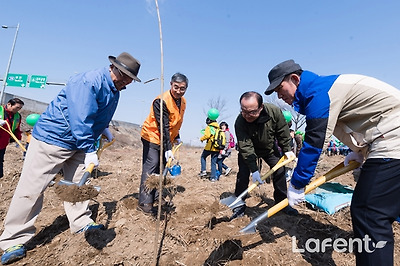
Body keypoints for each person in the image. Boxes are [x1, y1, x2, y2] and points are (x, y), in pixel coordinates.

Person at [0, 52, 141, 265]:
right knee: (32, 188)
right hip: (53, 139)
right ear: (117, 70)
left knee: (78, 185)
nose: (128, 83)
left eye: (131, 80)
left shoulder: (115, 90)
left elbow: (96, 114)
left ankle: (80, 221)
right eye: (127, 78)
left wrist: (103, 128)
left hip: (78, 143)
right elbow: (80, 117)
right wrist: (89, 148)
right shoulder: (88, 81)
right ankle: (13, 239)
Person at [265, 59, 400, 265]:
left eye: (280, 88)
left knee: (368, 212)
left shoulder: (319, 94)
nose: (279, 96)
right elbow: (355, 121)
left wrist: (297, 183)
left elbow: (315, 142)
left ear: (294, 79)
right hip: (387, 136)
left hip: (393, 140)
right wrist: (361, 151)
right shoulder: (324, 89)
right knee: (383, 206)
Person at [230, 91, 297, 220]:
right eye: (244, 111)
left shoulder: (274, 111)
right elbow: (245, 146)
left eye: (252, 112)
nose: (247, 115)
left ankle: (282, 203)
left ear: (261, 107)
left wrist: (287, 149)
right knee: (243, 175)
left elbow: (283, 131)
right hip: (249, 151)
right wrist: (254, 170)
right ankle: (238, 204)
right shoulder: (240, 121)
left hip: (269, 149)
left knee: (279, 171)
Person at [139, 73, 188, 216]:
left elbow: (175, 121)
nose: (179, 91)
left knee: (161, 168)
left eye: (182, 88)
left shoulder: (183, 101)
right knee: (151, 166)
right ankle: (144, 202)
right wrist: (167, 148)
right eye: (176, 87)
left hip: (167, 138)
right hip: (152, 136)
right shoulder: (160, 101)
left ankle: (156, 197)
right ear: (171, 84)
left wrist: (176, 136)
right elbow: (163, 126)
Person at [0, 98, 24, 178]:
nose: (18, 110)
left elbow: (17, 129)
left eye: (20, 108)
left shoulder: (17, 116)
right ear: (9, 104)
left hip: (2, 144)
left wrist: (18, 139)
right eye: (17, 107)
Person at [199, 117, 221, 182]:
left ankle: (203, 171)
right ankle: (213, 178)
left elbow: (207, 135)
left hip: (210, 147)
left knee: (203, 157)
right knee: (213, 162)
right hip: (217, 148)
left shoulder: (209, 127)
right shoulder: (218, 128)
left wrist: (201, 139)